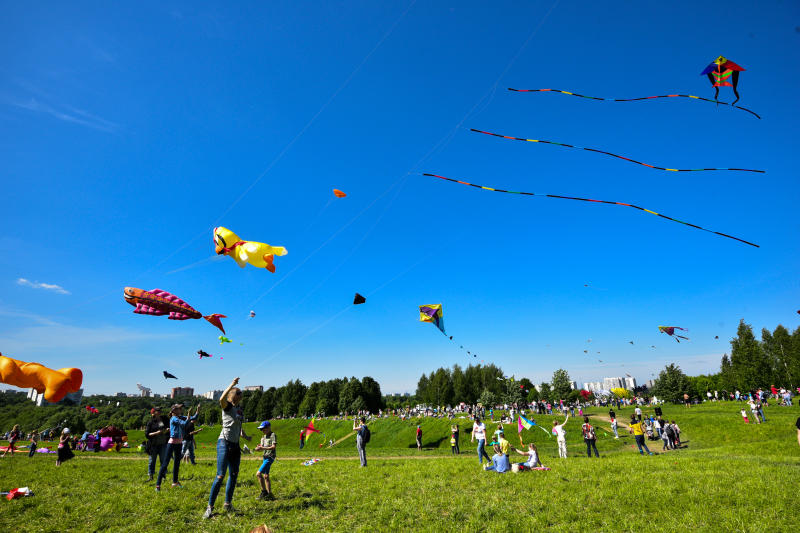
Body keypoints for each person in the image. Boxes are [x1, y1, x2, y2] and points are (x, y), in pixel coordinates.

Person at [204, 377, 252, 519]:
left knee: (234, 475)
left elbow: (238, 426)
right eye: (238, 393)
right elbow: (221, 399)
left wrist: (246, 436)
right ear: (232, 395)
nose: (240, 396)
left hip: (235, 445)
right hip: (224, 442)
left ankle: (227, 504)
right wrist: (232, 384)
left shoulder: (239, 410)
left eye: (240, 395)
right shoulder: (227, 407)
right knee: (220, 476)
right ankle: (209, 508)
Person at [156, 404, 199, 492]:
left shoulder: (179, 417)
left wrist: (197, 411)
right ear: (174, 411)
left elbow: (192, 418)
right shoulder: (174, 418)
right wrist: (188, 415)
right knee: (165, 464)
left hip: (179, 443)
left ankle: (175, 482)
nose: (181, 409)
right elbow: (184, 424)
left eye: (181, 408)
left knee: (177, 464)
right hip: (172, 444)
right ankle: (158, 485)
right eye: (179, 408)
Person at [146, 407, 170, 482]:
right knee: (152, 461)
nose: (160, 412)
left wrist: (166, 431)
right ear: (153, 412)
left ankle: (163, 476)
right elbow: (147, 434)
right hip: (153, 444)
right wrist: (156, 433)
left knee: (163, 460)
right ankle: (150, 475)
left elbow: (163, 430)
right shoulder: (151, 422)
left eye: (160, 410)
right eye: (158, 411)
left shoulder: (161, 421)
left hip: (162, 444)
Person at [255, 421, 276, 501]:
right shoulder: (263, 437)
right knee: (266, 476)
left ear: (269, 428)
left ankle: (264, 493)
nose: (262, 431)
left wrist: (263, 448)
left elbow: (273, 447)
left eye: (264, 429)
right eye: (261, 429)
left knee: (258, 474)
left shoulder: (272, 435)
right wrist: (258, 448)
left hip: (270, 457)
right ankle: (270, 495)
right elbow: (262, 448)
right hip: (265, 457)